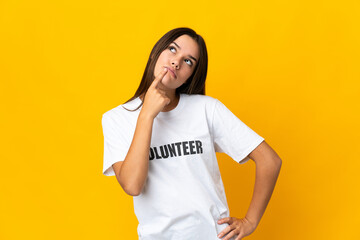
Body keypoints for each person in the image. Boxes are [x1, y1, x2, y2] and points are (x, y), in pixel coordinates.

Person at [101, 27, 282, 240]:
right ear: (154, 53)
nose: (176, 62)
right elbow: (132, 185)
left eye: (188, 61)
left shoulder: (206, 109)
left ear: (189, 76)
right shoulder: (116, 118)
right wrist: (147, 114)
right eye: (172, 49)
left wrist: (250, 221)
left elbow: (270, 160)